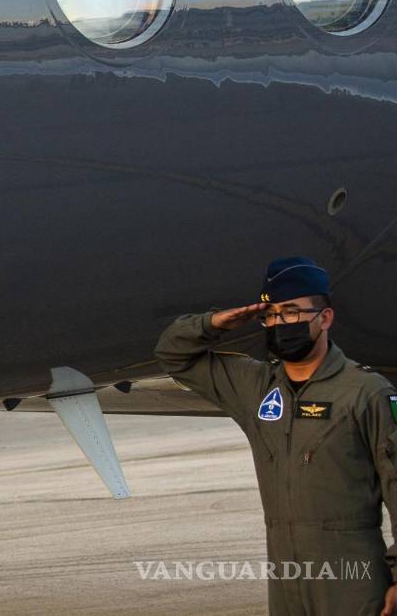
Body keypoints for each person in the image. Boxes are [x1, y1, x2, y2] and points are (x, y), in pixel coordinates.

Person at [155, 256, 397, 614]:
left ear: (325, 318)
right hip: (286, 578)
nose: (281, 323)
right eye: (271, 315)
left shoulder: (366, 392)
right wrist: (214, 322)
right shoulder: (254, 386)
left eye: (292, 312)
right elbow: (173, 355)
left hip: (352, 578)